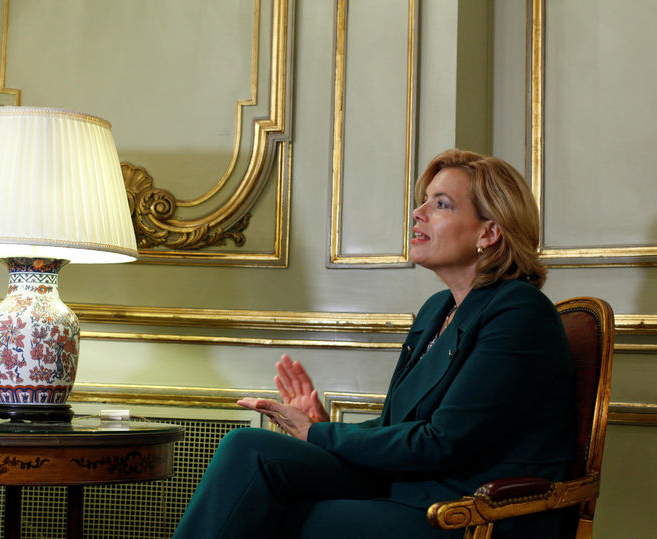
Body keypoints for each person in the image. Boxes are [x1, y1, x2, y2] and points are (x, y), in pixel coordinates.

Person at [172, 149, 574, 538]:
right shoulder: (439, 308)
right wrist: (321, 427)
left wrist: (316, 436)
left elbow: (443, 442)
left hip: (466, 512)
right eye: (423, 202)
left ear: (489, 231)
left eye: (442, 204)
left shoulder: (520, 311)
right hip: (411, 488)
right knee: (248, 447)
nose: (418, 213)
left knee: (277, 513)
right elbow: (398, 427)